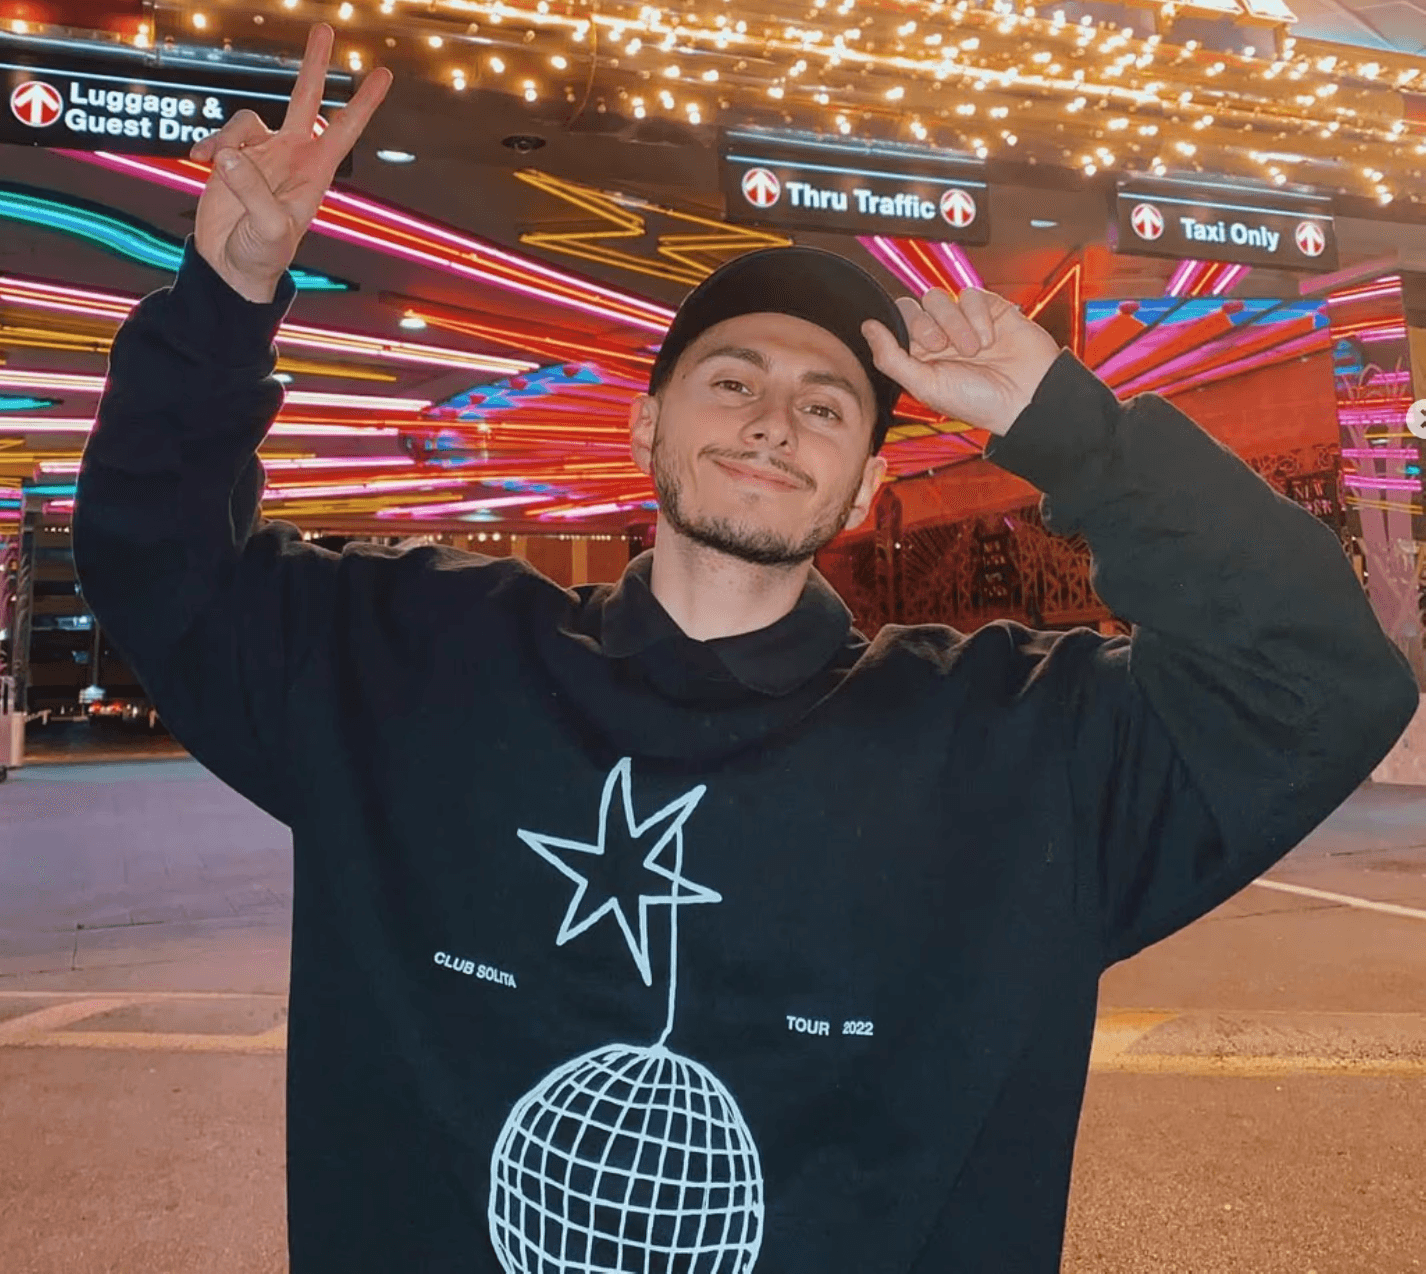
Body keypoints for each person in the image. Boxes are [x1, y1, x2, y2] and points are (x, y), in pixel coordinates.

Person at [71, 22, 1418, 1274]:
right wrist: (222, 305)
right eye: (732, 379)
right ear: (644, 430)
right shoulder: (417, 659)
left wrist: (1071, 431)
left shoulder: (1012, 749)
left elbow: (1318, 678)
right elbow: (162, 570)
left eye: (826, 404)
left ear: (858, 489)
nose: (775, 418)